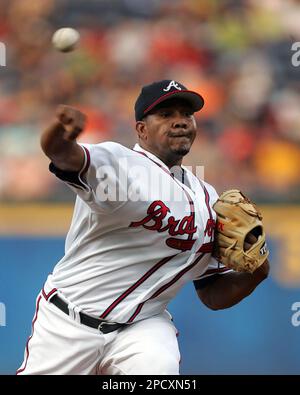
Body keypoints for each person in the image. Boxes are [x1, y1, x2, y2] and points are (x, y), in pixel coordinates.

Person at [17, 80, 270, 375]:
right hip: (69, 321)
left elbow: (212, 295)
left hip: (142, 327)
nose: (179, 122)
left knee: (158, 365)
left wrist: (258, 271)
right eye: (165, 115)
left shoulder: (208, 199)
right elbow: (62, 154)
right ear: (141, 130)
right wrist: (60, 134)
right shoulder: (118, 163)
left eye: (186, 115)